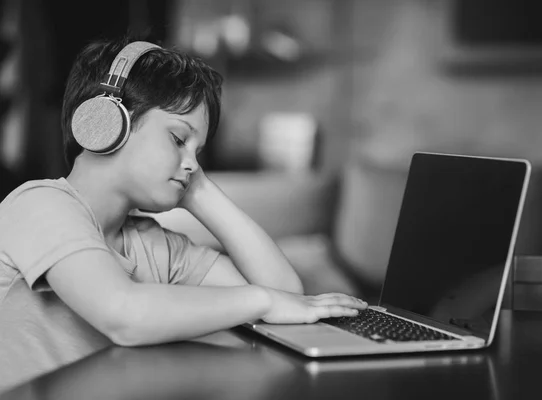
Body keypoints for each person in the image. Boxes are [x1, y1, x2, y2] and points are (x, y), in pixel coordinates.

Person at [0, 35, 367, 390]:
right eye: (178, 139)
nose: (192, 163)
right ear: (106, 122)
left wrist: (200, 191)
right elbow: (122, 315)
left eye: (199, 152)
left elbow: (284, 292)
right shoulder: (39, 203)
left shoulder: (153, 243)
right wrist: (266, 301)